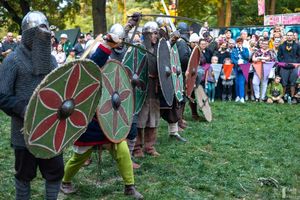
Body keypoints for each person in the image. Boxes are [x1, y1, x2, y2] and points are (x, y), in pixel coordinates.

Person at [60, 33, 143, 199]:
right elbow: (96, 60)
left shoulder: (110, 73)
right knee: (79, 157)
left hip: (110, 120)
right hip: (91, 122)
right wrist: (106, 44)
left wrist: (127, 28)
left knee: (123, 150)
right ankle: (65, 181)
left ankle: (129, 186)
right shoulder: (88, 75)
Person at [0, 11, 64, 200]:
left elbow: (61, 89)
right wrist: (24, 108)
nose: (43, 36)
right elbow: (2, 96)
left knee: (54, 172)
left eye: (45, 32)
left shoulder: (51, 60)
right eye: (39, 32)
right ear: (28, 34)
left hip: (51, 128)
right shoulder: (13, 60)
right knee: (24, 174)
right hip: (24, 130)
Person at [133, 21, 161, 157]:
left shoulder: (159, 50)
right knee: (140, 118)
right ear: (147, 34)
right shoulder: (139, 48)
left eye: (157, 33)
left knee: (153, 118)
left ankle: (150, 147)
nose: (156, 36)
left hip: (154, 88)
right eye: (154, 33)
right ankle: (137, 147)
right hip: (142, 88)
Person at [277, 31, 300, 104]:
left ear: (293, 37)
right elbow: (279, 56)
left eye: (291, 35)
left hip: (294, 67)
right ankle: (283, 97)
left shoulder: (297, 46)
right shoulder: (281, 46)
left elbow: (299, 56)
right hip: (284, 67)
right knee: (284, 82)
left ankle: (293, 97)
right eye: (288, 35)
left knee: (293, 83)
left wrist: (295, 62)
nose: (289, 36)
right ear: (286, 36)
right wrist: (283, 62)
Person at [231, 37, 250, 103]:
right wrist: (237, 62)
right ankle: (237, 96)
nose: (240, 44)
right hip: (236, 67)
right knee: (236, 82)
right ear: (236, 43)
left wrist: (241, 50)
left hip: (244, 67)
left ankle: (242, 97)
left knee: (242, 82)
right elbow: (232, 58)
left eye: (241, 43)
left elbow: (247, 57)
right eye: (239, 43)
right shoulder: (234, 50)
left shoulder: (245, 49)